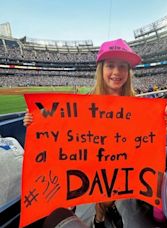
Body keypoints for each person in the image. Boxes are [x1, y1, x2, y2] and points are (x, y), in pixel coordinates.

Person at [24, 38, 142, 228]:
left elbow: (144, 141)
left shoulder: (138, 105)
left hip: (122, 176)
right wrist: (35, 122)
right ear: (101, 69)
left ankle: (104, 215)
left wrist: (161, 124)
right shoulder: (83, 104)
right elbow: (61, 133)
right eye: (110, 65)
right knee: (87, 219)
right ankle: (98, 219)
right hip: (88, 177)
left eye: (123, 66)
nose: (116, 72)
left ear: (128, 72)